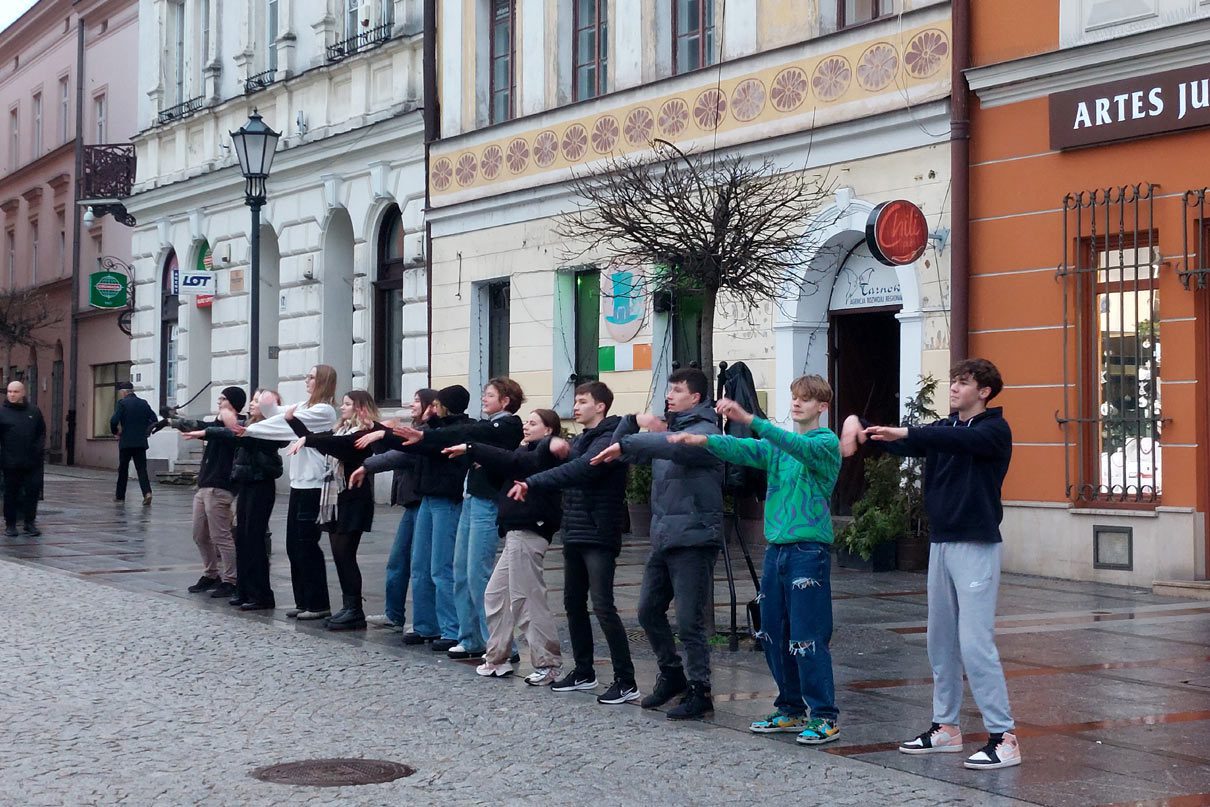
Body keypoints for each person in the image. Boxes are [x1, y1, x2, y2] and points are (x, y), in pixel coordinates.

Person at [856, 358, 1019, 770]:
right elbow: (909, 443)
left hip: (976, 545)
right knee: (940, 640)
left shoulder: (994, 430)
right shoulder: (945, 429)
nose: (954, 389)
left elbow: (953, 442)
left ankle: (1003, 736)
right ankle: (945, 728)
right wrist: (864, 431)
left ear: (984, 391)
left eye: (962, 383)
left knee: (975, 643)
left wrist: (912, 431)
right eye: (953, 382)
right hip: (942, 544)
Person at [669, 375, 843, 745]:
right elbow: (748, 451)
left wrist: (750, 418)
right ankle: (790, 709)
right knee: (773, 634)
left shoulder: (825, 443)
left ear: (822, 407)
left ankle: (825, 716)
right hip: (777, 550)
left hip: (808, 552)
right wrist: (706, 440)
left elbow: (791, 444)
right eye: (794, 398)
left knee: (807, 637)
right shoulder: (781, 446)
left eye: (806, 400)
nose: (796, 404)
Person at [592, 368, 724, 720]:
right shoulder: (672, 431)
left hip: (694, 537)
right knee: (648, 611)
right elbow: (623, 453)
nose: (670, 396)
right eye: (670, 390)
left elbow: (666, 446)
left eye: (678, 391)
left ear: (695, 398)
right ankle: (672, 674)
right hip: (665, 536)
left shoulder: (703, 433)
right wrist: (631, 422)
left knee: (688, 621)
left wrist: (634, 439)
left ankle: (701, 691)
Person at [513, 381, 636, 696]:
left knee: (603, 605)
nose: (575, 407)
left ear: (600, 406)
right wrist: (548, 447)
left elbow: (581, 470)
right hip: (576, 530)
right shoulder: (581, 439)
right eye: (575, 401)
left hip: (598, 532)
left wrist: (533, 482)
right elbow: (564, 464)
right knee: (572, 603)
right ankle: (584, 671)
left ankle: (626, 681)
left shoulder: (609, 438)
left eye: (582, 401)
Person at [390, 380, 523, 658]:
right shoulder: (485, 427)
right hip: (470, 498)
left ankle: (500, 646)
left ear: (506, 401)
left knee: (478, 574)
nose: (484, 399)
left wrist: (464, 447)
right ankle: (470, 637)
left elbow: (470, 432)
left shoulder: (508, 424)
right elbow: (457, 438)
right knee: (460, 572)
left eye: (489, 395)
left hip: (487, 502)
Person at [444, 409, 569, 679]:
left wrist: (472, 447)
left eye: (533, 423)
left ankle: (547, 664)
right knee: (495, 595)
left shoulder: (544, 455)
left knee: (527, 598)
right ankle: (497, 657)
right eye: (527, 421)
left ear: (548, 431)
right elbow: (507, 463)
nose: (526, 426)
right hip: (514, 532)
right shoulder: (525, 452)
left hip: (530, 531)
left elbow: (520, 461)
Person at [239, 366, 339, 620]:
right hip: (299, 483)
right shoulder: (305, 404)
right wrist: (267, 403)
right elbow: (278, 414)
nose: (307, 380)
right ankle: (303, 600)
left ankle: (317, 604)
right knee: (294, 545)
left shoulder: (323, 410)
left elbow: (286, 424)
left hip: (314, 484)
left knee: (307, 544)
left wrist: (249, 430)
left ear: (323, 382)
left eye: (312, 377)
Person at [283, 390, 382, 630]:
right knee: (339, 554)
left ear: (360, 407)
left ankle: (355, 610)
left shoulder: (364, 433)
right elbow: (320, 439)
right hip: (337, 499)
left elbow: (343, 446)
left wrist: (309, 439)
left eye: (347, 404)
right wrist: (292, 421)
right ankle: (349, 606)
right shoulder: (342, 429)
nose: (342, 408)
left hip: (354, 499)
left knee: (346, 554)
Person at [386, 385, 472, 650]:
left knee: (441, 567)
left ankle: (452, 628)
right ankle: (425, 625)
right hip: (426, 497)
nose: (430, 409)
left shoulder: (456, 431)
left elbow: (434, 447)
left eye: (435, 405)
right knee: (420, 566)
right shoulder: (433, 430)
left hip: (446, 499)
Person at [186, 389, 287, 611]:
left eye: (257, 401)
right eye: (252, 400)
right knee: (243, 538)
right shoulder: (253, 424)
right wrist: (200, 428)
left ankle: (259, 594)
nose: (252, 404)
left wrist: (205, 432)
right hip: (246, 482)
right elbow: (232, 432)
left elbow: (233, 433)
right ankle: (244, 589)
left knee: (253, 540)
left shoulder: (269, 427)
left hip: (259, 483)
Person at [354, 388, 437, 632]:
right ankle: (394, 614)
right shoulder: (414, 427)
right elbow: (388, 452)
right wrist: (377, 432)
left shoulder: (425, 432)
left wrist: (368, 462)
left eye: (417, 401)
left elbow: (399, 456)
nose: (412, 405)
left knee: (422, 565)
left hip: (420, 502)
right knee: (398, 562)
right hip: (411, 501)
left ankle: (425, 621)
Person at [169, 387, 245, 599]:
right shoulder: (216, 424)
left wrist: (206, 430)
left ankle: (231, 579)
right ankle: (211, 574)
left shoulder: (239, 426)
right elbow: (201, 426)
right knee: (199, 534)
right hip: (204, 486)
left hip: (220, 487)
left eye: (223, 399)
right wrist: (169, 422)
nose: (219, 401)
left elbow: (219, 432)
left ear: (233, 403)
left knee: (221, 536)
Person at [0, 381, 46, 537]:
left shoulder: (34, 411)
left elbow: (41, 433)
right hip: (10, 462)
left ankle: (29, 523)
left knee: (32, 493)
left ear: (23, 393)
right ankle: (10, 524)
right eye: (10, 391)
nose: (12, 394)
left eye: (15, 392)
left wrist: (38, 451)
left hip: (32, 462)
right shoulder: (2, 412)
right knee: (11, 493)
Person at [110, 382, 158, 505]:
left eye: (120, 392)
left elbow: (114, 420)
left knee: (123, 469)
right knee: (142, 469)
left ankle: (120, 496)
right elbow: (154, 420)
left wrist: (115, 432)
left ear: (124, 392)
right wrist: (146, 431)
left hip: (126, 442)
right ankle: (147, 493)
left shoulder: (122, 403)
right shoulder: (143, 403)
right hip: (140, 442)